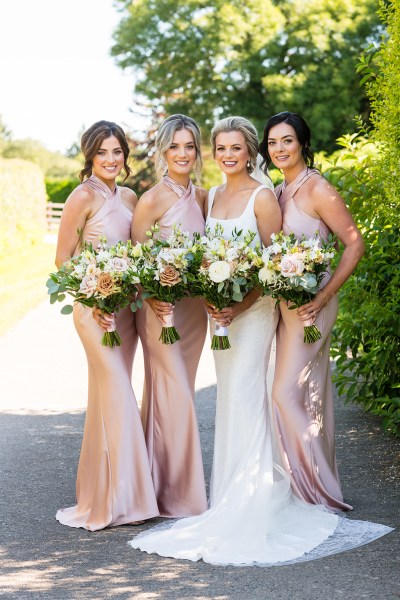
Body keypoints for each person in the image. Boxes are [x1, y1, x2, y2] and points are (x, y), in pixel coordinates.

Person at [130, 116, 376, 566]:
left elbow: (272, 266)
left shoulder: (265, 198)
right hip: (221, 316)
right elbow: (204, 255)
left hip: (254, 314)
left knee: (251, 394)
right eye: (220, 148)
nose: (227, 156)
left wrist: (239, 306)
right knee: (231, 398)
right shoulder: (213, 197)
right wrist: (209, 295)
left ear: (250, 152)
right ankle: (229, 493)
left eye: (236, 149)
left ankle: (260, 494)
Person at [258, 111, 366, 511]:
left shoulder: (319, 188)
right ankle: (307, 483)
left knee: (284, 393)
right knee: (305, 395)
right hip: (286, 307)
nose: (279, 149)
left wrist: (323, 297)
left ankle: (318, 491)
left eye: (286, 140)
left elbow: (354, 244)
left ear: (303, 143)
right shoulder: (279, 190)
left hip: (312, 308)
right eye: (272, 142)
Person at [55, 120, 159, 531]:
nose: (111, 160)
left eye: (117, 152)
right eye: (103, 152)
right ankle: (128, 501)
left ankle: (103, 490)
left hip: (126, 311)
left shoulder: (131, 196)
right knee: (118, 393)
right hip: (94, 313)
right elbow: (63, 260)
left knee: (106, 399)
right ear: (90, 156)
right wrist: (93, 299)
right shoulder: (81, 197)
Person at [131, 114, 208, 518]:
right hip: (160, 310)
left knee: (175, 395)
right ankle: (182, 496)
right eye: (174, 146)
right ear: (162, 151)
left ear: (197, 152)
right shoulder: (152, 199)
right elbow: (137, 258)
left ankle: (159, 486)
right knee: (173, 392)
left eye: (189, 146)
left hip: (195, 311)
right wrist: (150, 296)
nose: (182, 153)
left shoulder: (203, 198)